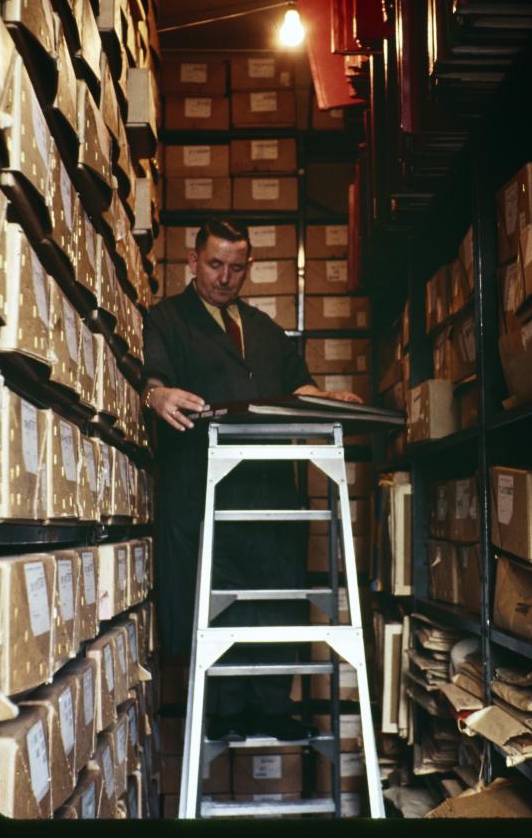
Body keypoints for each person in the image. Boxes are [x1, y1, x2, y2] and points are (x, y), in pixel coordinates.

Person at [141, 218, 362, 742]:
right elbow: (153, 378)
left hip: (267, 491)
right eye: (215, 264)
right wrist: (157, 396)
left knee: (274, 592)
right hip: (203, 489)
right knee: (214, 597)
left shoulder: (264, 328)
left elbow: (298, 386)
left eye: (236, 268)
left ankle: (268, 706)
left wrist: (330, 398)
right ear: (192, 261)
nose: (224, 277)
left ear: (250, 268)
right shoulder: (167, 318)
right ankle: (222, 710)